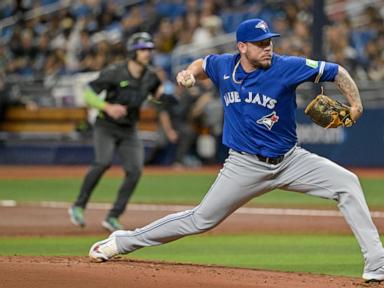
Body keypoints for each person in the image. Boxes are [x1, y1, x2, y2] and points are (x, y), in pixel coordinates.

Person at [88, 19, 384, 281]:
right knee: (201, 219)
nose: (268, 47)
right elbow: (202, 64)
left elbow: (337, 71)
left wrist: (355, 104)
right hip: (244, 165)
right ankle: (123, 242)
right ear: (242, 47)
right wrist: (189, 74)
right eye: (260, 44)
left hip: (291, 160)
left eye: (270, 42)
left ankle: (376, 265)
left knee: (347, 183)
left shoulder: (287, 67)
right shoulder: (223, 65)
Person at [69, 32, 175, 232]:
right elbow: (88, 92)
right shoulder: (115, 72)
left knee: (135, 170)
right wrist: (107, 107)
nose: (147, 53)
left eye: (149, 50)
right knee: (102, 162)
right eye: (143, 50)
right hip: (106, 126)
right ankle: (79, 205)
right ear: (132, 52)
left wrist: (168, 94)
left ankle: (113, 216)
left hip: (129, 129)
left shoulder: (151, 77)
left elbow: (158, 96)